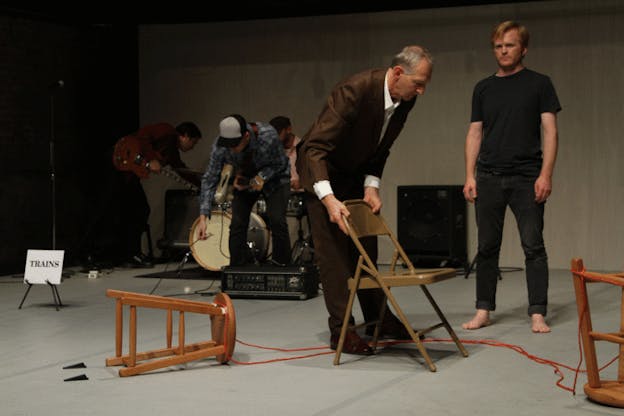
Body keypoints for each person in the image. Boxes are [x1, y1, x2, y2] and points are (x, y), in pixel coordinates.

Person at [296, 45, 434, 354]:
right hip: (321, 173)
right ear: (398, 73)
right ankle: (341, 330)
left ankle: (379, 320)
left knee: (366, 252)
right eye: (418, 83)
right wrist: (329, 199)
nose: (422, 91)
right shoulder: (354, 91)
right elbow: (315, 148)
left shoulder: (405, 99)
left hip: (354, 175)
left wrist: (371, 186)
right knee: (334, 257)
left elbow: (381, 148)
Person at [461, 21, 561, 333]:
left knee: (533, 245)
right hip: (488, 176)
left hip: (526, 177)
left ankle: (537, 313)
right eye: (498, 46)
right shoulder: (483, 87)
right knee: (487, 247)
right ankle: (483, 310)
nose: (503, 51)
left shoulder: (540, 84)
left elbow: (550, 131)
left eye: (510, 45)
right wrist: (469, 175)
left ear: (524, 48)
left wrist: (546, 174)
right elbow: (475, 133)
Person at [84, 122, 202, 268]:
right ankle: (92, 253)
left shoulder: (171, 151)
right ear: (185, 137)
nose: (192, 147)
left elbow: (179, 168)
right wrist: (152, 158)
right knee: (108, 209)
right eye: (194, 142)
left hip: (128, 175)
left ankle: (128, 253)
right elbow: (142, 138)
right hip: (117, 166)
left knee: (137, 210)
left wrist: (201, 184)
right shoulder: (167, 131)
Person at [198, 114, 292, 266]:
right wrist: (203, 216)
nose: (232, 149)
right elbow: (210, 178)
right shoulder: (220, 146)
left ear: (246, 136)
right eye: (228, 145)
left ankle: (282, 266)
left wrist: (260, 178)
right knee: (237, 223)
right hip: (245, 176)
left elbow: (280, 164)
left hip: (276, 178)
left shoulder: (268, 135)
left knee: (277, 220)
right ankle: (238, 268)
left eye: (235, 145)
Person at [269, 116, 303, 192]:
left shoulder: (303, 148)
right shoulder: (273, 151)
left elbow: (314, 176)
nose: (274, 137)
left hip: (302, 196)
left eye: (278, 133)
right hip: (279, 196)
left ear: (288, 129)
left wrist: (302, 183)